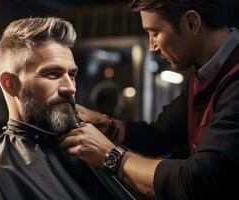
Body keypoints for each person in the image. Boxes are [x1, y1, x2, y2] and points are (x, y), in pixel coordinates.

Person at [0, 17, 138, 200]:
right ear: (10, 84)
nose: (70, 88)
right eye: (52, 74)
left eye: (72, 74)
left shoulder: (92, 152)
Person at [60, 0, 239, 199]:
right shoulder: (203, 74)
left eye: (155, 33)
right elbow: (161, 134)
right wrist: (110, 126)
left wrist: (110, 155)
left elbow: (198, 181)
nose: (152, 47)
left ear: (191, 22)